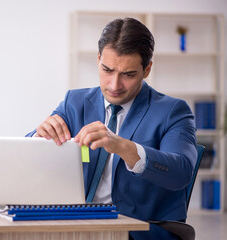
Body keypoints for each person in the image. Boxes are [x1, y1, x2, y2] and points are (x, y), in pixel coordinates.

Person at [26, 17, 197, 240]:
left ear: (147, 70)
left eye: (128, 74)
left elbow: (181, 172)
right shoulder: (74, 102)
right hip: (77, 222)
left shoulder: (173, 111)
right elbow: (30, 158)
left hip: (138, 230)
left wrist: (122, 146)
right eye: (107, 70)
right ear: (98, 60)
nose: (114, 85)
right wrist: (39, 136)